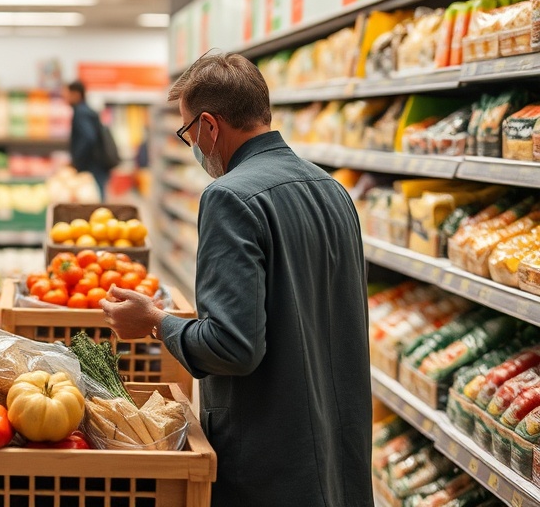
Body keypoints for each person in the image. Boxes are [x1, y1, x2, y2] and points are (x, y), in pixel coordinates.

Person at [101, 51, 372, 507]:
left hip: (273, 466)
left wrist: (154, 320)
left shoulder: (229, 197)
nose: (191, 145)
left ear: (209, 126)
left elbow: (232, 346)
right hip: (337, 459)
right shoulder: (333, 190)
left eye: (187, 131)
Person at [64, 79, 110, 198]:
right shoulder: (87, 110)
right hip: (98, 163)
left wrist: (76, 160)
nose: (65, 97)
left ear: (76, 94)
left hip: (93, 165)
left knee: (94, 198)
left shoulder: (81, 112)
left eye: (67, 94)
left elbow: (88, 137)